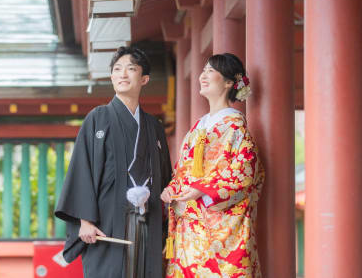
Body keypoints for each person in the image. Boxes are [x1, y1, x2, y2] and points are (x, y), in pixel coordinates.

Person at [55, 46, 172, 278]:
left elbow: (165, 177)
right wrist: (85, 221)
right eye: (117, 69)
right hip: (107, 223)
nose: (123, 74)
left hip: (147, 220)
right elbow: (81, 171)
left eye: (131, 69)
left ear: (144, 79)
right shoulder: (97, 118)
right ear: (111, 77)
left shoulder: (153, 126)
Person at [161, 53, 264, 278]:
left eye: (210, 71)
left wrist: (202, 190)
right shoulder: (198, 127)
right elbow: (183, 170)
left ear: (229, 82)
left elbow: (243, 173)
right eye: (203, 70)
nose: (202, 76)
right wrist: (173, 188)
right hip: (189, 228)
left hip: (217, 224)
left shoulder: (235, 127)